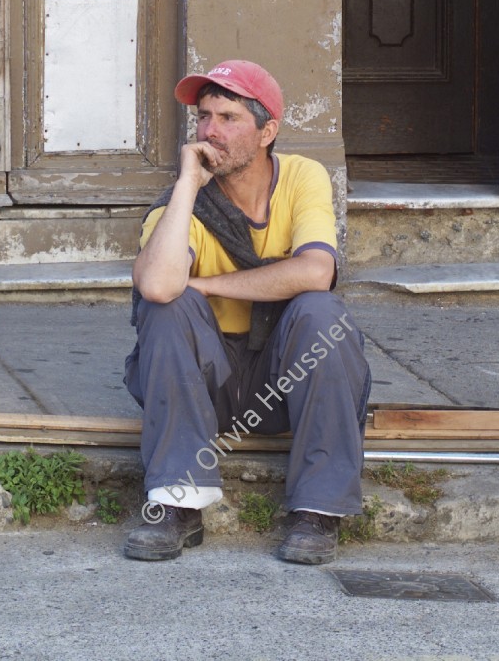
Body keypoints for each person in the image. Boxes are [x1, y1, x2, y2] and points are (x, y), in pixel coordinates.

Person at [123, 60, 371, 564]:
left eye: (229, 117)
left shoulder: (303, 177)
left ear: (267, 131)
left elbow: (316, 271)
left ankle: (317, 511)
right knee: (168, 307)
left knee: (323, 313)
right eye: (203, 116)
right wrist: (188, 186)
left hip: (285, 380)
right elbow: (156, 283)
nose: (211, 131)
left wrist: (210, 283)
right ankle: (177, 503)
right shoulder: (180, 204)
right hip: (203, 386)